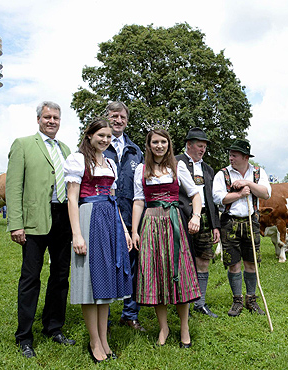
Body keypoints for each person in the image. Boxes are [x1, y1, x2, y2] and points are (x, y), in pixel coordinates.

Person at [6, 101, 75, 358]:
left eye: (56, 117)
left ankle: (53, 327)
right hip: (34, 221)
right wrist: (16, 224)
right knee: (30, 279)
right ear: (38, 119)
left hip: (63, 219)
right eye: (47, 117)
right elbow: (13, 187)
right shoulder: (23, 144)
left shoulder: (66, 149)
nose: (52, 121)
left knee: (60, 277)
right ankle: (24, 336)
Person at [64, 118, 133, 363]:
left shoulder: (111, 163)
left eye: (107, 137)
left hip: (110, 220)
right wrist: (76, 234)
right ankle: (94, 341)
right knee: (88, 283)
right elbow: (72, 199)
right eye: (100, 135)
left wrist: (124, 230)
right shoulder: (77, 160)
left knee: (105, 282)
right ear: (89, 135)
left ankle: (104, 339)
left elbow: (113, 199)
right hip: (88, 218)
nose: (104, 140)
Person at [131, 129, 201, 348]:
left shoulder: (178, 167)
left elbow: (195, 194)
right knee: (155, 273)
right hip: (150, 223)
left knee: (178, 272)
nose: (159, 145)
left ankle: (184, 327)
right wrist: (134, 231)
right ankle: (164, 327)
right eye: (155, 142)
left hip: (173, 222)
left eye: (163, 141)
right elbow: (138, 201)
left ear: (169, 144)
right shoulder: (142, 169)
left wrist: (196, 216)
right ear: (149, 145)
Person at [212, 138, 271, 317]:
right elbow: (218, 198)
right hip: (230, 222)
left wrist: (249, 184)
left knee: (251, 262)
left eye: (234, 155)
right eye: (230, 155)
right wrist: (238, 194)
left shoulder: (258, 173)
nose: (231, 158)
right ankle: (237, 299)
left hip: (251, 221)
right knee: (233, 263)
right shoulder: (222, 174)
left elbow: (266, 194)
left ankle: (251, 299)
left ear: (245, 157)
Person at [103, 101, 146, 332]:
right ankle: (105, 318)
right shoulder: (98, 145)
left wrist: (136, 227)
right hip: (104, 216)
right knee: (106, 266)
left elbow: (141, 189)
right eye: (114, 116)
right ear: (107, 117)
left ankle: (130, 314)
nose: (118, 120)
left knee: (132, 268)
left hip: (131, 218)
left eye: (122, 117)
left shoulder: (135, 151)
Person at [175, 128, 220, 318]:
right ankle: (181, 303)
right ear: (189, 145)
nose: (202, 150)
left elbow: (211, 199)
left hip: (203, 218)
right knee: (182, 261)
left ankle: (199, 303)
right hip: (182, 217)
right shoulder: (175, 162)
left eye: (204, 147)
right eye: (200, 146)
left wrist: (215, 225)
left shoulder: (208, 169)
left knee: (203, 259)